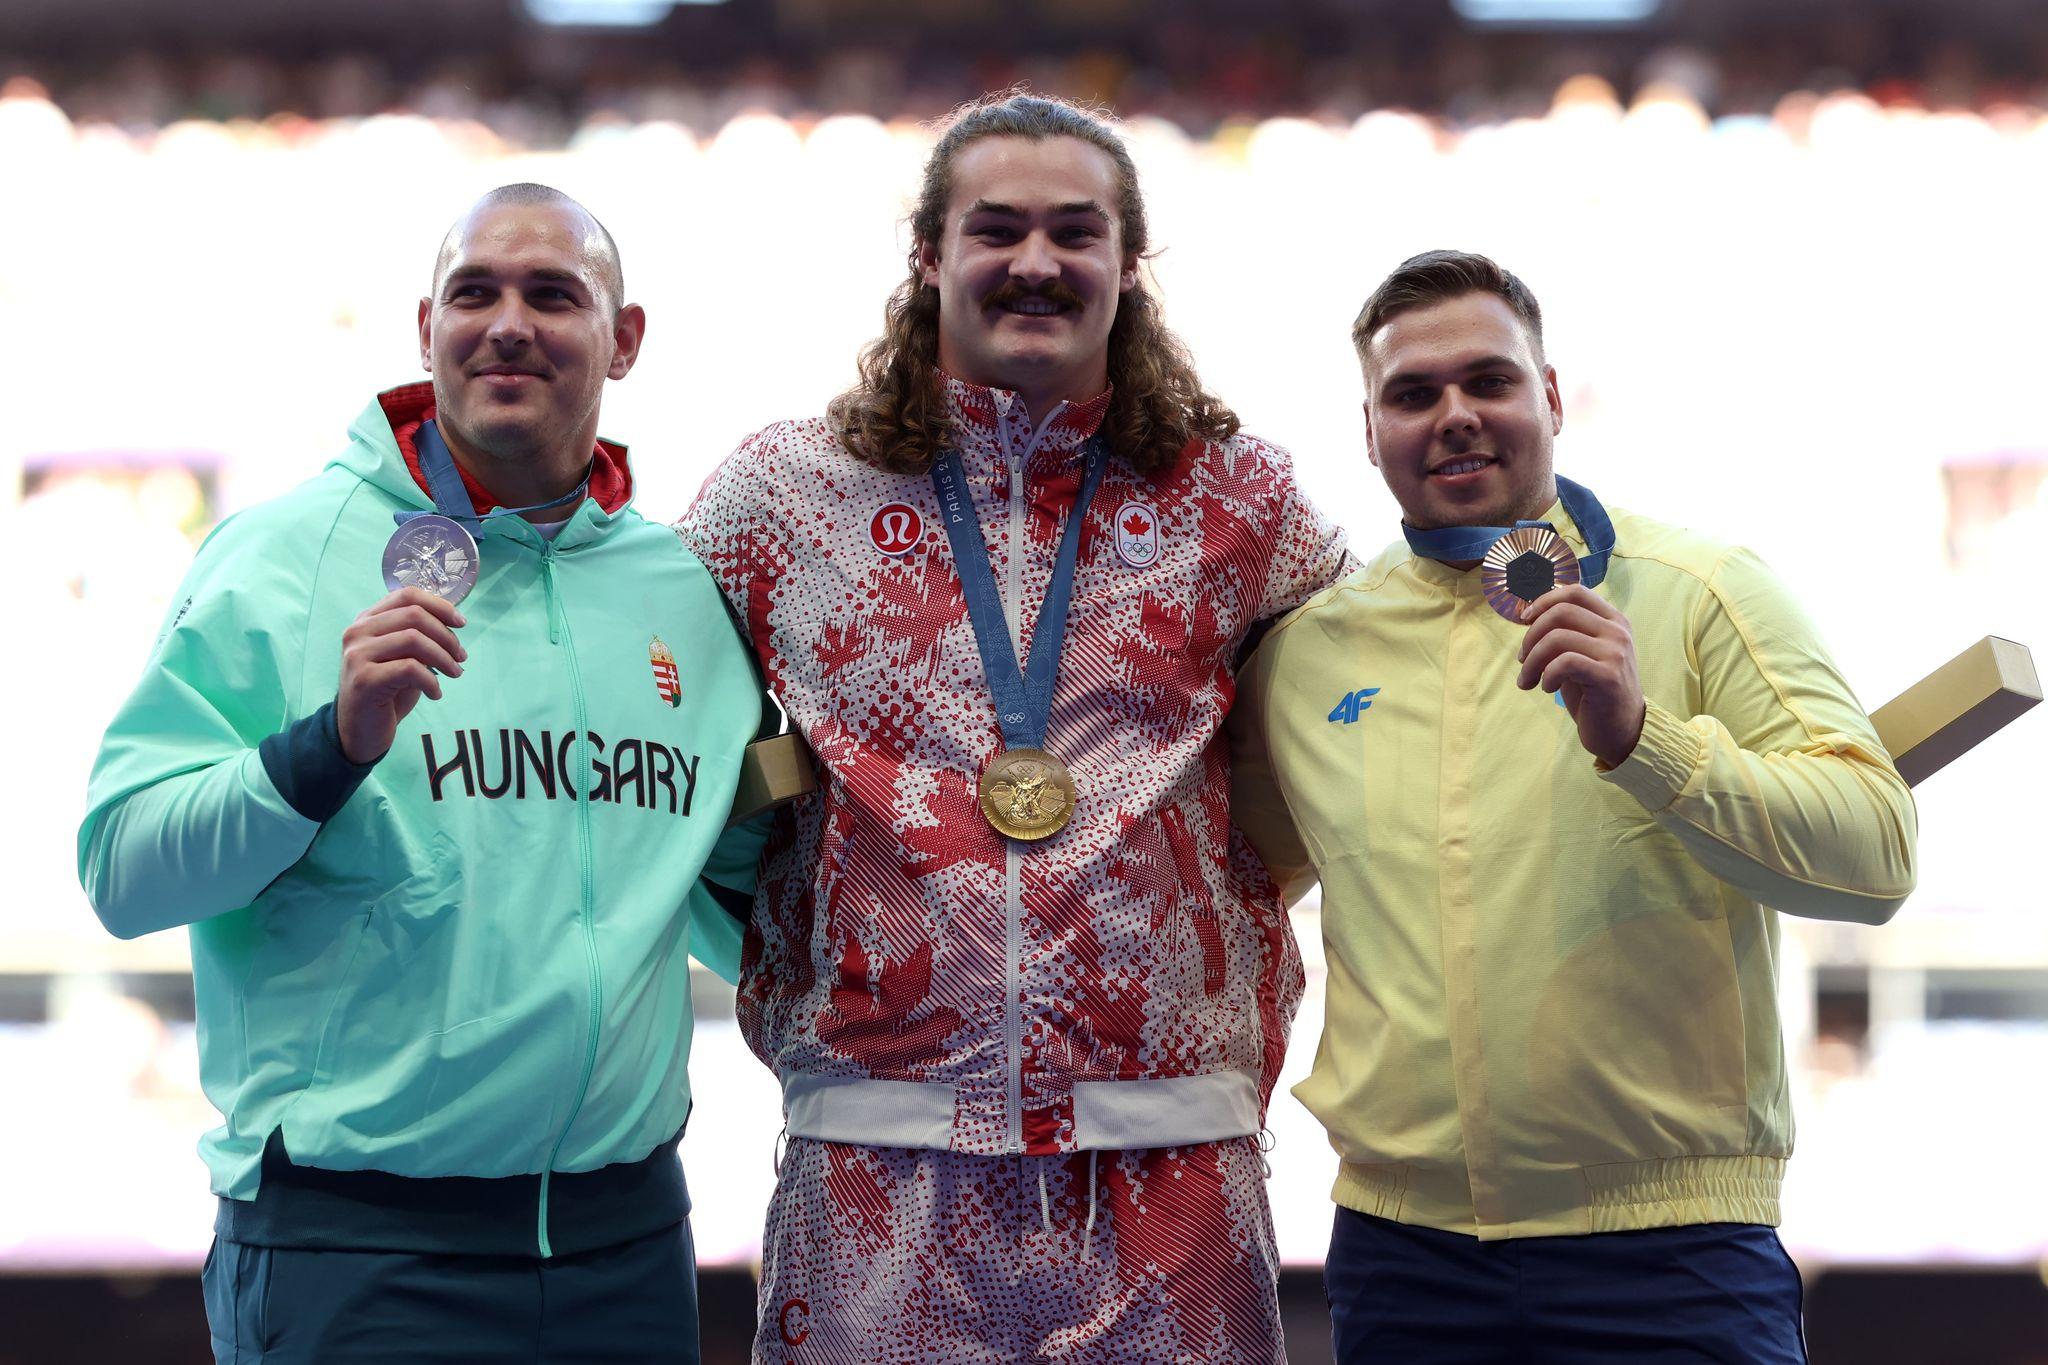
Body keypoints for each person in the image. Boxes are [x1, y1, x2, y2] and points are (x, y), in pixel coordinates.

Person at [676, 93, 1350, 1362]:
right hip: (876, 1151)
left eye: (1073, 232)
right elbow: (637, 693)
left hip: (1172, 1152)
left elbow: (1389, 699)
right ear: (927, 254)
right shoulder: (782, 494)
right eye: (995, 229)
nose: (1034, 263)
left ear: (1126, 267)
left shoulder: (1241, 498)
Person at [78, 183, 769, 1364]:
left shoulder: (681, 592)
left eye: (553, 295)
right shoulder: (282, 559)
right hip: (358, 1254)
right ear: (424, 327)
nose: (508, 323)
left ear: (625, 338)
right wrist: (324, 749)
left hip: (628, 1246)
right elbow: (124, 871)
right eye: (474, 293)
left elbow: (738, 897)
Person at [1230, 249, 1919, 1361]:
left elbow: (1873, 856)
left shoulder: (1700, 591)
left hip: (1670, 1252)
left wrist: (1644, 741)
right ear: (1368, 432)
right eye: (1412, 394)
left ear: (1547, 397)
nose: (1453, 416)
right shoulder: (1311, 654)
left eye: (1487, 382)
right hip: (1403, 1259)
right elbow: (1232, 876)